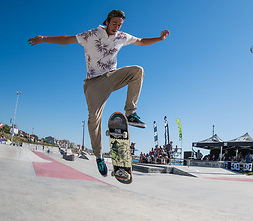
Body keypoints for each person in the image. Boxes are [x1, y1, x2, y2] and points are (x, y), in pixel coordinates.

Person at [28, 10, 170, 176]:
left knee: (137, 71)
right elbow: (68, 39)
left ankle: (130, 113)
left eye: (120, 24)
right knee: (94, 119)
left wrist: (159, 39)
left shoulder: (122, 37)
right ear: (107, 21)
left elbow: (141, 41)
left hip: (112, 77)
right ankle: (99, 156)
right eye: (114, 23)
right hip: (94, 83)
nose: (117, 27)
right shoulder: (91, 34)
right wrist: (44, 39)